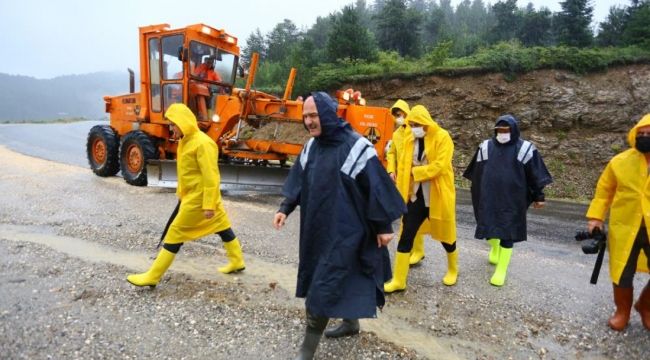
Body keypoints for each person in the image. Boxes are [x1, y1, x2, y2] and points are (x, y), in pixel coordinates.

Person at [272, 92, 405, 359]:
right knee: (340, 275)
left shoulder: (356, 147)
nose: (309, 121)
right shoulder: (311, 147)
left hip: (348, 229)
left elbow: (375, 189)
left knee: (323, 284)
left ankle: (306, 351)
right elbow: (299, 180)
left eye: (314, 115)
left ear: (329, 114)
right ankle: (351, 323)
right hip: (316, 227)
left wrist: (382, 227)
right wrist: (285, 208)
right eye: (305, 116)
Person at [126, 103, 245, 288]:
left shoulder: (203, 143)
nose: (171, 128)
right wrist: (181, 194)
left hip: (200, 199)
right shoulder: (185, 141)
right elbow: (186, 173)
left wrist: (208, 205)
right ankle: (237, 261)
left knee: (175, 232)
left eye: (173, 124)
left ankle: (153, 276)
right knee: (222, 225)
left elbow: (211, 176)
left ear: (183, 122)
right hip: (193, 196)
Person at [463, 114, 552, 287]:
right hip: (489, 196)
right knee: (488, 225)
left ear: (514, 130)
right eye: (499, 130)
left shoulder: (525, 149)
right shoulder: (485, 146)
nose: (503, 133)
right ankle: (494, 247)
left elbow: (535, 175)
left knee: (508, 231)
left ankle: (501, 270)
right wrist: (477, 193)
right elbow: (476, 173)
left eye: (506, 130)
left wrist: (539, 196)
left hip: (513, 199)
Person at [585, 114, 650, 331]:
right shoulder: (620, 162)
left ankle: (645, 306)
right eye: (640, 133)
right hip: (624, 228)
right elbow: (604, 191)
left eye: (649, 134)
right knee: (622, 272)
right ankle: (622, 311)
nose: (644, 137)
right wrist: (596, 218)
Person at [383, 105, 458, 293]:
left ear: (426, 122)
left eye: (417, 124)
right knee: (406, 233)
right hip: (416, 195)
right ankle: (399, 280)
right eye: (412, 124)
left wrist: (415, 172)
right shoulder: (410, 139)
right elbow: (402, 161)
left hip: (437, 195)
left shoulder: (442, 137)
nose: (414, 127)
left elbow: (440, 166)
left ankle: (452, 269)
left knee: (446, 236)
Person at [385, 99, 427, 266]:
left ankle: (418, 251)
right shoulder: (396, 134)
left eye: (400, 114)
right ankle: (410, 248)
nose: (398, 117)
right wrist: (390, 170)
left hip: (415, 179)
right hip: (402, 181)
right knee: (407, 217)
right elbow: (391, 153)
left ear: (406, 112)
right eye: (395, 115)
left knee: (414, 217)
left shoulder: (415, 130)